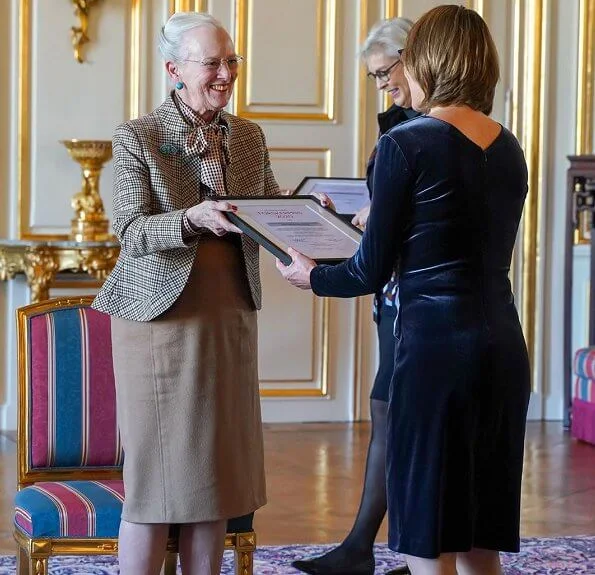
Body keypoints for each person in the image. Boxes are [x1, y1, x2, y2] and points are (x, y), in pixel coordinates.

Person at [277, 5, 531, 575]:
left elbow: (368, 270)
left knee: (426, 539)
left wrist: (309, 275)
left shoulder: (406, 143)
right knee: (477, 537)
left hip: (435, 353)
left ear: (427, 61)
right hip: (504, 349)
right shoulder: (509, 145)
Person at [92, 12, 279, 575]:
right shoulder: (139, 135)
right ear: (174, 69)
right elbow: (129, 228)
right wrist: (190, 219)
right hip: (159, 323)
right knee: (157, 482)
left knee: (214, 480)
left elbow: (268, 207)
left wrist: (311, 217)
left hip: (230, 313)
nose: (225, 74)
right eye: (212, 63)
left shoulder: (248, 135)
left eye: (231, 62)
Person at [291, 17, 418, 575]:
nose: (382, 86)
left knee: (400, 418)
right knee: (388, 412)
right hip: (395, 296)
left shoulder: (427, 131)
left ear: (416, 57)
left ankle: (391, 551)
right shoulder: (402, 125)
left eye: (385, 73)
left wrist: (374, 216)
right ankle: (366, 546)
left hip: (417, 301)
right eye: (374, 78)